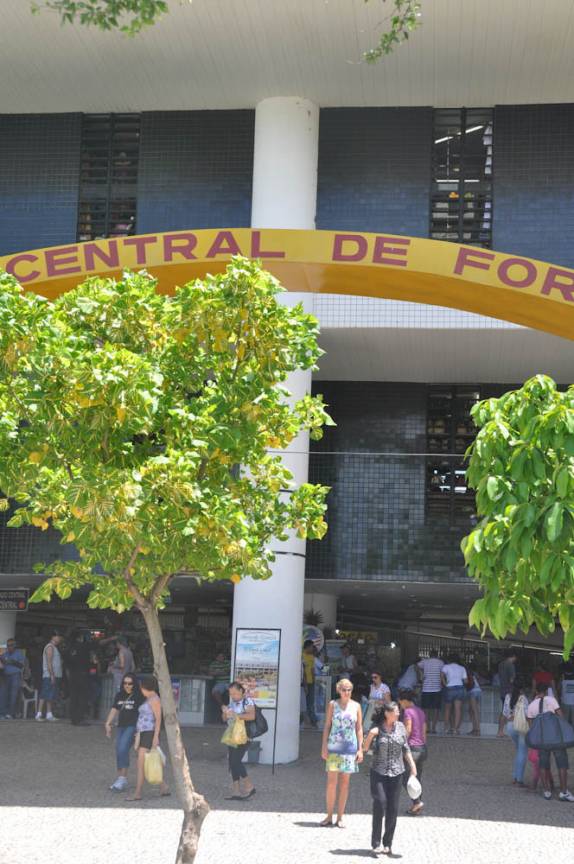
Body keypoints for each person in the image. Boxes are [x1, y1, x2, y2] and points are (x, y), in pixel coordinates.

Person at [363, 701, 417, 855]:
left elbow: (405, 748)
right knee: (380, 803)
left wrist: (412, 765)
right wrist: (371, 735)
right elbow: (365, 749)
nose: (399, 713)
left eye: (398, 711)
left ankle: (388, 843)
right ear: (387, 713)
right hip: (378, 771)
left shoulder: (400, 727)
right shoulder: (376, 728)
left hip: (397, 772)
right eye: (396, 711)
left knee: (392, 809)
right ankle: (375, 843)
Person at [320, 678, 363, 828]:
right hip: (334, 747)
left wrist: (360, 749)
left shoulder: (356, 706)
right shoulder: (333, 704)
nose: (346, 692)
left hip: (350, 748)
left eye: (349, 689)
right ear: (338, 690)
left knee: (345, 784)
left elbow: (359, 728)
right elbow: (327, 726)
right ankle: (329, 815)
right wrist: (324, 746)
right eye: (344, 689)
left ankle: (340, 817)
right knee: (331, 783)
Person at [526, 681, 574, 801]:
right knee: (562, 764)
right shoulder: (552, 700)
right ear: (547, 691)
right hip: (557, 738)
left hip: (542, 741)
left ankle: (547, 791)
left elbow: (531, 726)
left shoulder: (532, 705)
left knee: (543, 764)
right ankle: (563, 792)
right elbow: (561, 716)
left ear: (536, 691)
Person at [126, 675, 170, 801]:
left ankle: (138, 793)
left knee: (141, 763)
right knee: (146, 762)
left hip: (149, 733)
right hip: (144, 732)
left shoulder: (154, 699)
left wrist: (156, 736)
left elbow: (158, 719)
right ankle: (163, 786)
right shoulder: (151, 698)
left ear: (145, 687)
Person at [104, 673, 143, 792]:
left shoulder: (139, 696)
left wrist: (140, 730)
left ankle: (122, 778)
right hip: (121, 725)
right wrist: (107, 723)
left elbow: (143, 713)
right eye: (125, 683)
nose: (127, 685)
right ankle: (120, 778)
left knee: (123, 748)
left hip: (133, 726)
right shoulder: (119, 695)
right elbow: (114, 709)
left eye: (130, 683)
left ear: (134, 684)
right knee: (119, 749)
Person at [221, 681, 256, 800]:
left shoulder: (248, 701)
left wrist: (236, 715)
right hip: (232, 736)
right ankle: (236, 791)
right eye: (231, 694)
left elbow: (252, 716)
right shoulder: (232, 703)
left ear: (241, 691)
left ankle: (249, 785)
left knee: (236, 761)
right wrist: (225, 712)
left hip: (244, 736)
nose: (233, 696)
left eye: (235, 693)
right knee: (232, 762)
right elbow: (224, 719)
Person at [398, 689, 426, 815]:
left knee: (406, 779)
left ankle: (416, 802)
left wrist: (402, 744)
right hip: (422, 748)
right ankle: (417, 806)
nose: (400, 705)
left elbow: (407, 730)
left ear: (404, 701)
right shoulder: (420, 711)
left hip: (412, 748)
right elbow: (424, 730)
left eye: (400, 703)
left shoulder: (408, 712)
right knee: (417, 778)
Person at [503, 677, 530, 786]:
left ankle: (515, 776)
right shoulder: (523, 698)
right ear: (522, 688)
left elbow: (505, 713)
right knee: (522, 753)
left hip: (510, 726)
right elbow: (527, 714)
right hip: (522, 727)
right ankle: (519, 779)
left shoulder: (508, 697)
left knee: (519, 751)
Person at [36, 632, 64, 722]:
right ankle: (39, 714)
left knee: (50, 695)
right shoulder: (50, 647)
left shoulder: (54, 647)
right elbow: (49, 662)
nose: (59, 638)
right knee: (45, 694)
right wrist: (52, 675)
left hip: (54, 675)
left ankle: (49, 714)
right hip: (49, 675)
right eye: (58, 636)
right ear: (53, 637)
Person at [66, 631, 91, 726]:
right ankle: (80, 719)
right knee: (82, 697)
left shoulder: (69, 648)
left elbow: (67, 663)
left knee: (73, 697)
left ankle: (73, 719)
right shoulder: (83, 646)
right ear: (80, 637)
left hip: (72, 675)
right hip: (82, 674)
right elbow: (96, 645)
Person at [417, 650, 444, 733]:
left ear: (429, 655)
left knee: (426, 710)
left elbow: (416, 666)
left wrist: (421, 674)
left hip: (426, 689)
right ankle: (433, 728)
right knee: (436, 709)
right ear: (437, 655)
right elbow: (443, 674)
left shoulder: (424, 662)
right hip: (437, 689)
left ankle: (427, 728)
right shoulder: (441, 662)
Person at [441, 654, 468, 735]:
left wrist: (445, 683)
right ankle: (455, 729)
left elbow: (441, 675)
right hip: (460, 688)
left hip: (450, 688)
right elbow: (466, 681)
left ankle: (446, 728)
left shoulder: (446, 666)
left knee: (447, 709)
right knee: (458, 709)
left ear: (449, 660)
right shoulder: (462, 668)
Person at [0, 638, 25, 719]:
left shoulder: (19, 654)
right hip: (5, 676)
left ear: (14, 646)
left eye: (11, 645)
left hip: (15, 676)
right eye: (8, 645)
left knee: (13, 695)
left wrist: (12, 661)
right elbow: (2, 665)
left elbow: (21, 665)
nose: (9, 647)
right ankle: (2, 713)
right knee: (3, 695)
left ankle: (10, 713)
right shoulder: (5, 654)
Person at [497, 649, 517, 737]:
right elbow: (512, 679)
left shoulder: (501, 664)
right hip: (509, 691)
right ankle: (506, 732)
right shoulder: (510, 665)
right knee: (510, 711)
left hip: (503, 690)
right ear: (513, 656)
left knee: (504, 711)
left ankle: (500, 731)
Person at [302, 639, 319, 728]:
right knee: (304, 703)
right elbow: (303, 671)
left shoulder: (312, 657)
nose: (313, 649)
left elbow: (312, 670)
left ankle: (313, 721)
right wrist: (305, 684)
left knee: (310, 702)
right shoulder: (301, 656)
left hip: (311, 683)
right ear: (308, 647)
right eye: (312, 647)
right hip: (304, 683)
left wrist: (313, 681)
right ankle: (307, 720)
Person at [464, 663, 482, 736]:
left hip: (472, 692)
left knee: (474, 711)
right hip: (478, 691)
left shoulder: (465, 674)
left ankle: (477, 730)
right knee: (471, 711)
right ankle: (474, 729)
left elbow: (466, 683)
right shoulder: (474, 673)